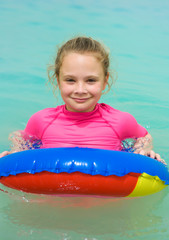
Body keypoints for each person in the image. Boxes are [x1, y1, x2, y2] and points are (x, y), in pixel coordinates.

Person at [0, 37, 165, 164]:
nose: (80, 90)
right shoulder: (41, 121)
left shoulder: (120, 121)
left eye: (91, 80)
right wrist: (15, 153)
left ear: (105, 81)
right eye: (70, 80)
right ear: (57, 80)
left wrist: (147, 151)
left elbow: (144, 137)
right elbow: (21, 140)